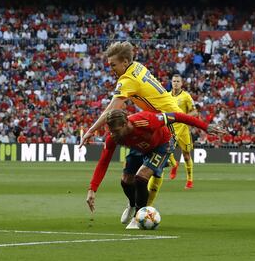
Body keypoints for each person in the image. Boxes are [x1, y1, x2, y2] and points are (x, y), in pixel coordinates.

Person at [80, 41, 184, 224]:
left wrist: (90, 131)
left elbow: (112, 109)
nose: (111, 68)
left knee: (145, 175)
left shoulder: (127, 80)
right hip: (149, 123)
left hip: (168, 125)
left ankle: (141, 216)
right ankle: (134, 204)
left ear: (125, 61)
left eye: (113, 64)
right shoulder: (137, 67)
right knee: (128, 177)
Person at [86, 109, 226, 229]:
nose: (113, 134)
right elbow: (103, 162)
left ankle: (138, 217)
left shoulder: (146, 120)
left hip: (162, 145)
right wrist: (92, 189)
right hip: (139, 149)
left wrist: (205, 127)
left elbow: (178, 116)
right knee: (125, 181)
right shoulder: (113, 137)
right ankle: (132, 204)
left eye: (116, 131)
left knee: (141, 178)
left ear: (125, 124)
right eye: (111, 131)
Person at [168, 74, 197, 189]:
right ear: (171, 82)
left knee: (186, 155)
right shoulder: (166, 96)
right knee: (166, 150)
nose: (175, 83)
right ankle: (174, 164)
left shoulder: (186, 96)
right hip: (170, 128)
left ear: (181, 83)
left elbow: (195, 112)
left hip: (183, 129)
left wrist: (183, 117)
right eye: (174, 81)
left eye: (178, 81)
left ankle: (190, 180)